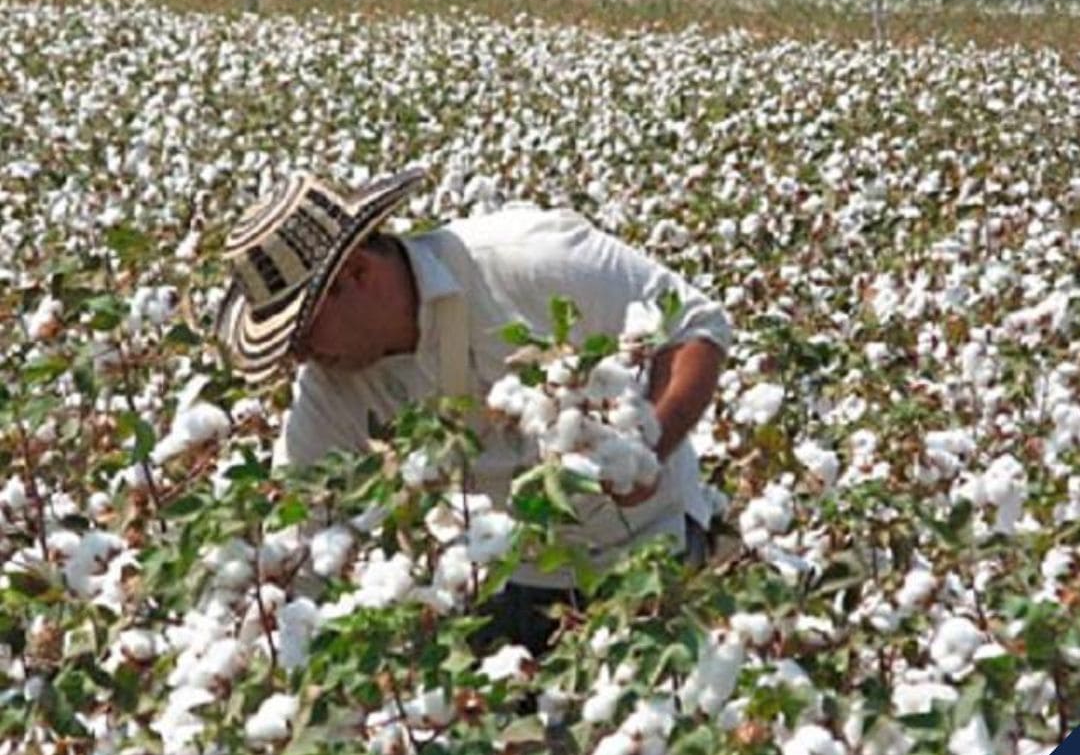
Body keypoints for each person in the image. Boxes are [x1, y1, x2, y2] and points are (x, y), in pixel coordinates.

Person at [216, 167, 730, 653]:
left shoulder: (529, 259)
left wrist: (646, 451)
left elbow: (694, 327)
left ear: (358, 273)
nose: (298, 356)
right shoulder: (332, 388)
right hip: (513, 577)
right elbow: (299, 523)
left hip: (651, 547)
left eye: (301, 332)